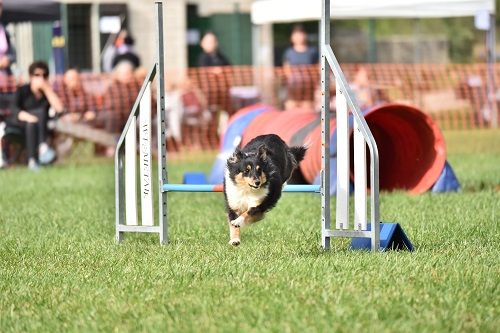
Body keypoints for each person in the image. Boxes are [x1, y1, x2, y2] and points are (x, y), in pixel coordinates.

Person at [10, 61, 64, 170]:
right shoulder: (23, 90)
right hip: (22, 124)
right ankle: (42, 147)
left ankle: (33, 160)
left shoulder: (47, 93)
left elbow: (60, 109)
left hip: (41, 126)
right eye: (37, 75)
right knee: (34, 120)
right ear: (30, 76)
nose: (41, 78)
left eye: (44, 75)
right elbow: (14, 109)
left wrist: (47, 89)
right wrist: (29, 117)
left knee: (40, 114)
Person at [282, 25, 319, 110]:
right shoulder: (289, 53)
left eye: (300, 35)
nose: (299, 38)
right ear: (292, 37)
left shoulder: (313, 51)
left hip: (308, 88)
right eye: (296, 35)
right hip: (293, 87)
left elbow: (318, 69)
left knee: (308, 110)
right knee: (291, 108)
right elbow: (286, 70)